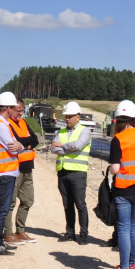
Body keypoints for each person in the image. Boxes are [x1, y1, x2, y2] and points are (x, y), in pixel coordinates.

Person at [105, 99, 135, 269]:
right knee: (133, 227)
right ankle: (132, 264)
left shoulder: (118, 139)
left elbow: (115, 169)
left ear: (117, 120)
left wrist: (110, 169)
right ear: (134, 118)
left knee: (123, 228)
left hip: (124, 189)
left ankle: (123, 268)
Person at [0, 91, 24, 255]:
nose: (17, 112)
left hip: (6, 172)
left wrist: (19, 146)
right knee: (1, 210)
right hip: (4, 173)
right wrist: (20, 147)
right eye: (14, 108)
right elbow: (13, 148)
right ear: (8, 108)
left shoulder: (2, 124)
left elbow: (16, 146)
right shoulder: (0, 126)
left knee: (3, 208)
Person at [50, 101, 92, 244]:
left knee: (80, 204)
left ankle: (84, 234)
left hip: (78, 173)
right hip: (62, 172)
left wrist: (61, 146)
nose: (67, 119)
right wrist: (69, 148)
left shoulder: (84, 131)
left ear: (78, 117)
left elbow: (79, 145)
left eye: (70, 116)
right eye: (66, 116)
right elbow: (53, 149)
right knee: (67, 204)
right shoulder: (60, 132)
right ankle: (70, 232)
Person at [3, 100, 39, 245]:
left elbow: (35, 140)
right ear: (10, 109)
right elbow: (14, 142)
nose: (20, 113)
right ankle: (8, 233)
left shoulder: (23, 123)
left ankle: (20, 230)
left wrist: (24, 145)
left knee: (28, 200)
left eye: (22, 110)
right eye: (17, 110)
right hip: (14, 167)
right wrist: (26, 144)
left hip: (28, 167)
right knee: (10, 202)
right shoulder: (6, 124)